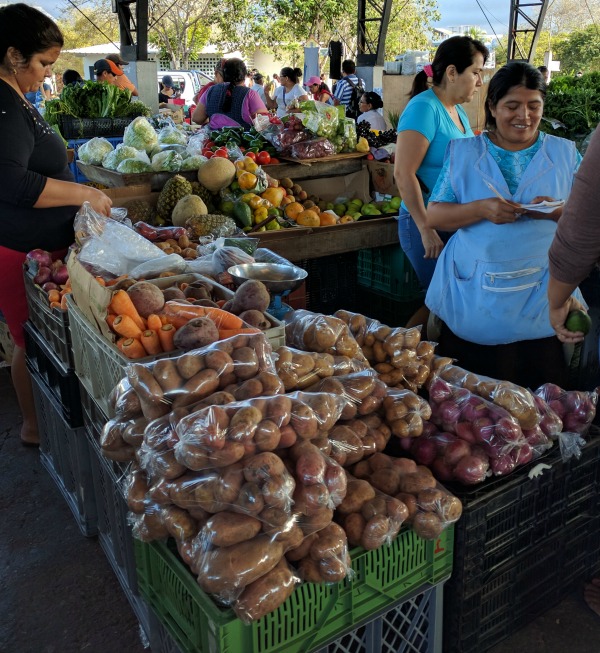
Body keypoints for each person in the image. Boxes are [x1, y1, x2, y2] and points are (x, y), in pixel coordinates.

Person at [423, 62, 583, 389]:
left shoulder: (564, 153)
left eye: (533, 106)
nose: (523, 115)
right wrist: (481, 209)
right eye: (512, 106)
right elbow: (435, 214)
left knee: (540, 393)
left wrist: (557, 212)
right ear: (493, 106)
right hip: (474, 292)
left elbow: (587, 214)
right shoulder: (465, 152)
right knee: (473, 396)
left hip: (542, 290)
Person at [0, 3, 112, 446]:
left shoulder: (14, 100)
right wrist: (86, 194)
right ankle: (33, 429)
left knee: (42, 337)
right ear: (13, 55)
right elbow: (12, 181)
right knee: (31, 339)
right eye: (44, 63)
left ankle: (51, 421)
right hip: (18, 252)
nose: (48, 74)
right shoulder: (2, 106)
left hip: (40, 248)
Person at [393, 36, 488, 294]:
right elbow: (403, 173)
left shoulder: (456, 111)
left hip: (452, 221)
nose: (480, 82)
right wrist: (425, 228)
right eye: (476, 72)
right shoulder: (424, 108)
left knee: (456, 299)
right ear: (452, 72)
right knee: (443, 299)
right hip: (425, 222)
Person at [191, 57, 268, 129]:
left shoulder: (210, 91)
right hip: (241, 142)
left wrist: (214, 121)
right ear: (244, 75)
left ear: (224, 74)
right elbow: (264, 124)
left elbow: (197, 118)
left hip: (214, 141)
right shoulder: (250, 94)